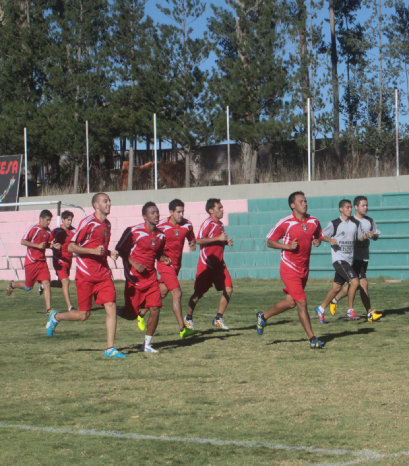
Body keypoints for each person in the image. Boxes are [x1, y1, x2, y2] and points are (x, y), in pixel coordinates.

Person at [45, 193, 126, 359]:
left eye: (109, 200)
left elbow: (99, 247)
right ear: (96, 205)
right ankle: (56, 316)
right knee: (84, 315)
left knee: (111, 306)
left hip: (103, 273)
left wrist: (110, 253)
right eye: (105, 201)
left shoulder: (107, 224)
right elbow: (71, 247)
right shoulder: (87, 223)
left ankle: (110, 348)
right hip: (86, 275)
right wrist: (93, 251)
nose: (109, 203)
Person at [256, 191, 325, 349]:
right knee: (302, 302)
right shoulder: (285, 222)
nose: (305, 203)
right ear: (292, 205)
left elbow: (318, 237)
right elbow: (270, 242)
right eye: (301, 201)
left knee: (291, 302)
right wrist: (287, 246)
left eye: (306, 201)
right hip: (289, 267)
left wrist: (317, 241)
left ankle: (263, 317)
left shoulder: (313, 221)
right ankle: (312, 339)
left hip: (304, 268)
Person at [116, 202, 171, 353]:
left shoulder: (161, 235)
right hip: (134, 278)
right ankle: (113, 310)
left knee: (155, 308)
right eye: (152, 213)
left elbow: (157, 253)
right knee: (131, 315)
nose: (156, 215)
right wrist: (134, 263)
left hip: (151, 278)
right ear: (144, 216)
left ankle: (147, 344)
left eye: (157, 212)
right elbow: (120, 249)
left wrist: (163, 258)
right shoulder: (134, 231)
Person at [329, 196, 382, 322]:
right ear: (356, 207)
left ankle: (334, 299)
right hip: (354, 258)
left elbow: (376, 236)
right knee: (363, 283)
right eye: (363, 205)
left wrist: (373, 235)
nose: (366, 207)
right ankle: (369, 313)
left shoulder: (369, 220)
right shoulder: (351, 221)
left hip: (364, 257)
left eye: (367, 205)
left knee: (355, 285)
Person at [314, 199, 365, 324]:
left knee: (337, 288)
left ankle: (320, 309)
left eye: (350, 207)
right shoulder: (335, 223)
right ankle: (350, 310)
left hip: (349, 260)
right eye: (347, 207)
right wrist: (328, 240)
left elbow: (359, 238)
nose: (349, 209)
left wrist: (366, 236)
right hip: (339, 260)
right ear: (341, 209)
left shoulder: (355, 223)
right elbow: (321, 235)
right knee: (355, 282)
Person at [185, 198, 233, 330]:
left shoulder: (220, 224)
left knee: (228, 289)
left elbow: (216, 242)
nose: (222, 210)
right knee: (197, 294)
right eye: (219, 208)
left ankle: (218, 318)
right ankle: (188, 318)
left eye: (222, 207)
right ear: (211, 211)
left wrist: (225, 242)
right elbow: (197, 240)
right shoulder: (208, 223)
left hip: (219, 264)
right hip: (207, 264)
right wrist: (218, 238)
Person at [7, 209, 61, 315]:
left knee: (46, 283)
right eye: (47, 220)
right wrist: (37, 245)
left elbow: (47, 244)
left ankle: (48, 310)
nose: (49, 222)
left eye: (50, 220)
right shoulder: (34, 228)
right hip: (31, 262)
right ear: (41, 219)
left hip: (42, 262)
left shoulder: (48, 231)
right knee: (28, 287)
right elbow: (23, 241)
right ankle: (13, 284)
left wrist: (53, 246)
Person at [157, 199, 198, 338]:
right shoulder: (161, 226)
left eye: (182, 211)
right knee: (177, 293)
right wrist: (161, 257)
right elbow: (154, 245)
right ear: (171, 212)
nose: (181, 214)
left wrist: (192, 243)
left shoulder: (187, 224)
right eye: (178, 212)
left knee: (162, 292)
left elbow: (191, 238)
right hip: (165, 264)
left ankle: (140, 313)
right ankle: (182, 329)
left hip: (177, 264)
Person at [46, 210, 77, 311]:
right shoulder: (56, 231)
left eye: (71, 220)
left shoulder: (74, 231)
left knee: (61, 283)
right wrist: (53, 246)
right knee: (66, 281)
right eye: (68, 220)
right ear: (62, 220)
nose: (69, 222)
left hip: (68, 260)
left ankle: (45, 284)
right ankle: (70, 307)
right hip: (59, 260)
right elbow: (47, 242)